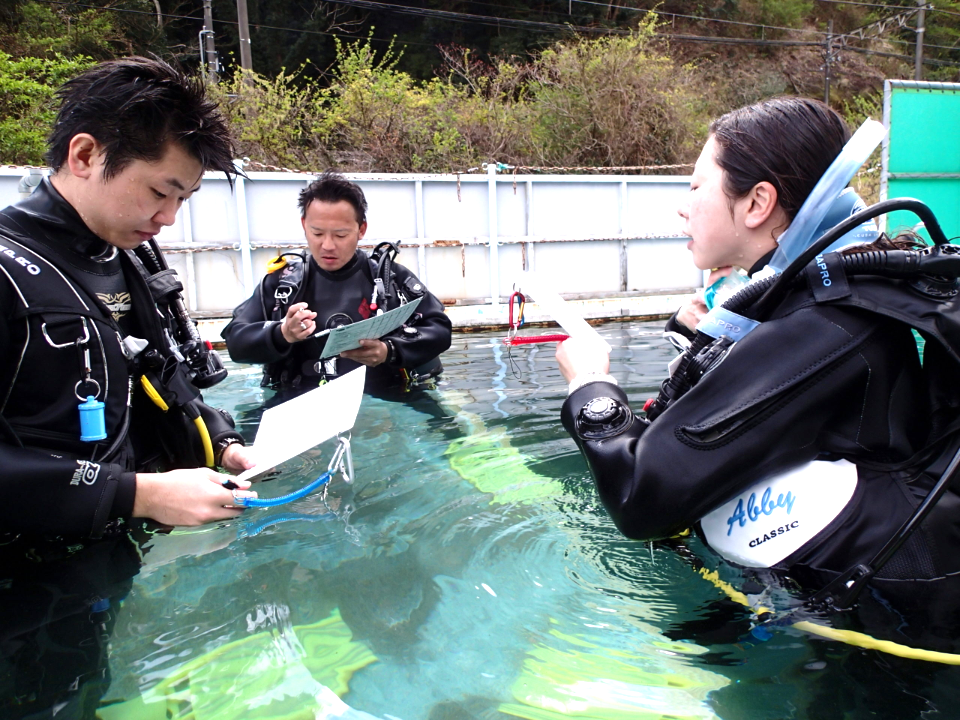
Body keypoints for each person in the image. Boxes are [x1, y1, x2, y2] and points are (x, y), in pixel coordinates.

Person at [556, 97, 960, 638]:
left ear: (757, 203)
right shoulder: (830, 301)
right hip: (844, 604)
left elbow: (640, 498)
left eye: (696, 187)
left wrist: (589, 385)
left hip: (883, 634)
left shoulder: (820, 324)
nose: (684, 207)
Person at [0, 57, 258, 541]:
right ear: (84, 156)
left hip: (99, 555)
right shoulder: (8, 269)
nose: (168, 218)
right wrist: (136, 494)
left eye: (184, 199)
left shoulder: (126, 258)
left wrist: (223, 445)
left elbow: (157, 377)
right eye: (162, 191)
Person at [222, 171, 452, 395]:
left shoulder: (391, 279)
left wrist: (388, 350)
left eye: (341, 235)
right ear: (304, 225)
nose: (328, 245)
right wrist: (282, 333)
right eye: (317, 233)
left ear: (361, 229)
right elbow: (236, 343)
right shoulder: (283, 284)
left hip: (386, 404)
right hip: (297, 403)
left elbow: (440, 329)